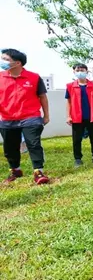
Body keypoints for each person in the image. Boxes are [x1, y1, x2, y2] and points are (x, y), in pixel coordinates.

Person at [0, 48, 50, 184]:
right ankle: (15, 170)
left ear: (17, 63)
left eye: (5, 59)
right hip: (7, 118)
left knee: (33, 144)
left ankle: (38, 172)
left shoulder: (34, 77)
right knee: (10, 147)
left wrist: (46, 115)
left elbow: (42, 97)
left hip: (31, 117)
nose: (2, 61)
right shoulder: (0, 77)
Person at [65, 63, 93, 167]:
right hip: (77, 117)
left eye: (82, 70)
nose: (80, 72)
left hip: (91, 116)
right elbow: (68, 102)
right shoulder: (70, 86)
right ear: (74, 71)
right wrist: (68, 116)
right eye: (78, 70)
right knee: (76, 139)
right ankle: (77, 159)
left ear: (87, 72)